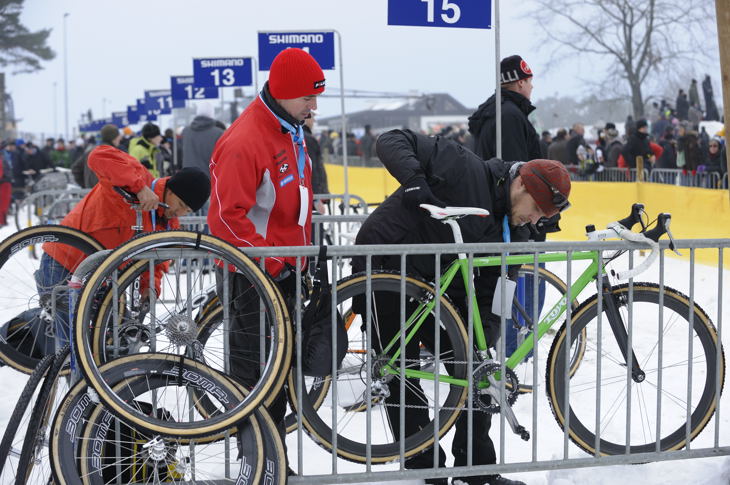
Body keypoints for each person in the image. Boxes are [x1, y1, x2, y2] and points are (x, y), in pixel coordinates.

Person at [354, 128, 570, 485]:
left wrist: (484, 342)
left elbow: (496, 293)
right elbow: (392, 139)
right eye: (536, 211)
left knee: (477, 368)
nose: (535, 222)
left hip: (440, 284)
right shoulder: (462, 167)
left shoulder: (514, 232)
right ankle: (425, 467)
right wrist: (413, 182)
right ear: (521, 186)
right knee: (399, 367)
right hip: (385, 264)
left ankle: (476, 468)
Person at [207, 47, 325, 454]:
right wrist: (272, 263)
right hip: (253, 275)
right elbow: (225, 218)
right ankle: (257, 462)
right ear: (283, 91)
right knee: (255, 378)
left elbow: (285, 196)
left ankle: (273, 461)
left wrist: (307, 239)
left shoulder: (288, 127)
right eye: (308, 97)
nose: (314, 106)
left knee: (279, 376)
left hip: (285, 268)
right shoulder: (245, 139)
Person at [39, 144, 210, 349]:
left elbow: (154, 263)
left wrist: (150, 288)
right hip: (63, 263)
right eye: (181, 205)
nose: (180, 213)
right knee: (71, 348)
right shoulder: (138, 177)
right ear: (171, 190)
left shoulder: (167, 223)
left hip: (100, 279)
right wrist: (140, 188)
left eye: (187, 210)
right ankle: (14, 337)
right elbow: (97, 156)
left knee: (115, 342)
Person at [468, 55, 541, 162]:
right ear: (520, 82)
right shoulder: (510, 115)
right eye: (529, 81)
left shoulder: (494, 111)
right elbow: (514, 165)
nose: (532, 86)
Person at [182, 101, 225, 180]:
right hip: (208, 179)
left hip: (186, 178)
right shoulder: (219, 133)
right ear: (212, 114)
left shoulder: (186, 132)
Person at [72, 123, 121, 188]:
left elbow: (76, 168)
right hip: (107, 194)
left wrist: (86, 185)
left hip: (92, 194)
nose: (120, 139)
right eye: (118, 136)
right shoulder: (113, 154)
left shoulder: (91, 151)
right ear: (114, 138)